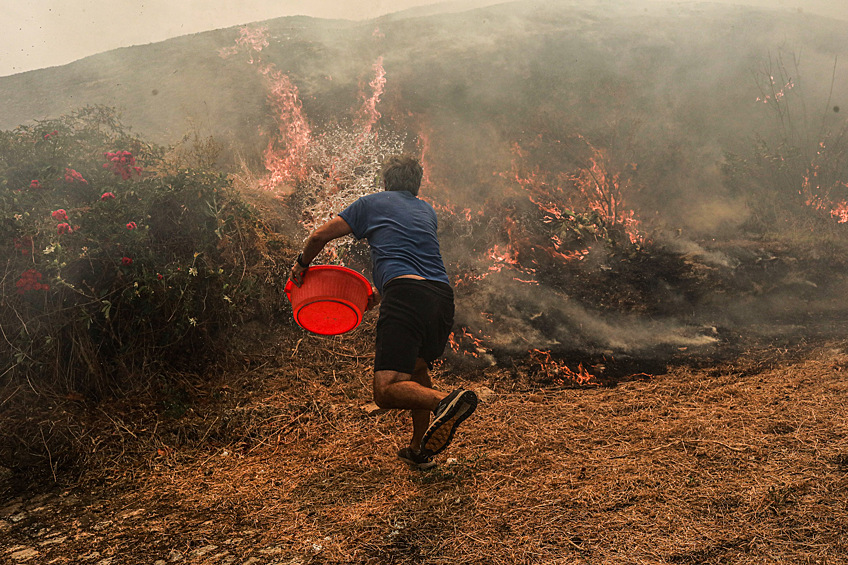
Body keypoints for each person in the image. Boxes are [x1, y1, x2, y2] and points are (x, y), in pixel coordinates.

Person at [288, 154, 477, 470]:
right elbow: (407, 252)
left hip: (406, 296)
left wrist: (301, 265)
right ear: (416, 186)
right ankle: (418, 450)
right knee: (415, 370)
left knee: (385, 391)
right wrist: (380, 290)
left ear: (386, 181)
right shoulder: (426, 210)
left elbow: (318, 236)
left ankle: (445, 402)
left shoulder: (371, 203)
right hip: (441, 298)